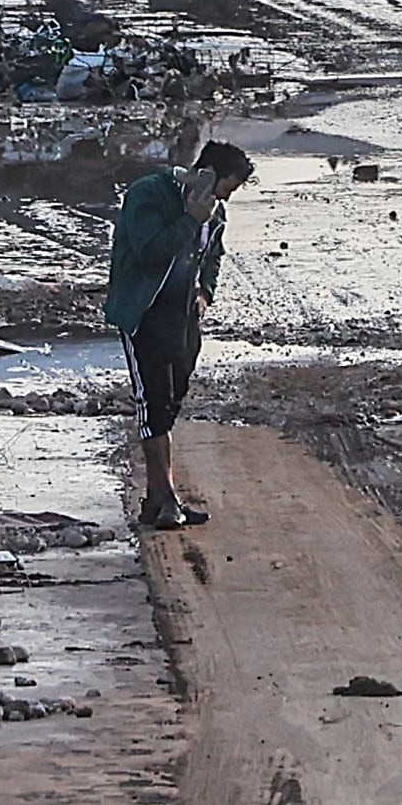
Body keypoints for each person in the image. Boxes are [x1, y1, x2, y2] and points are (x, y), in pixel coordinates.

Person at [104, 141, 255, 531]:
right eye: (228, 187)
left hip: (183, 316)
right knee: (152, 401)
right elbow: (149, 251)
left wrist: (206, 291)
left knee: (171, 400)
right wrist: (189, 219)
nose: (226, 197)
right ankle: (168, 498)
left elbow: (213, 254)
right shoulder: (148, 194)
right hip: (144, 313)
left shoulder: (214, 213)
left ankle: (157, 498)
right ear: (206, 175)